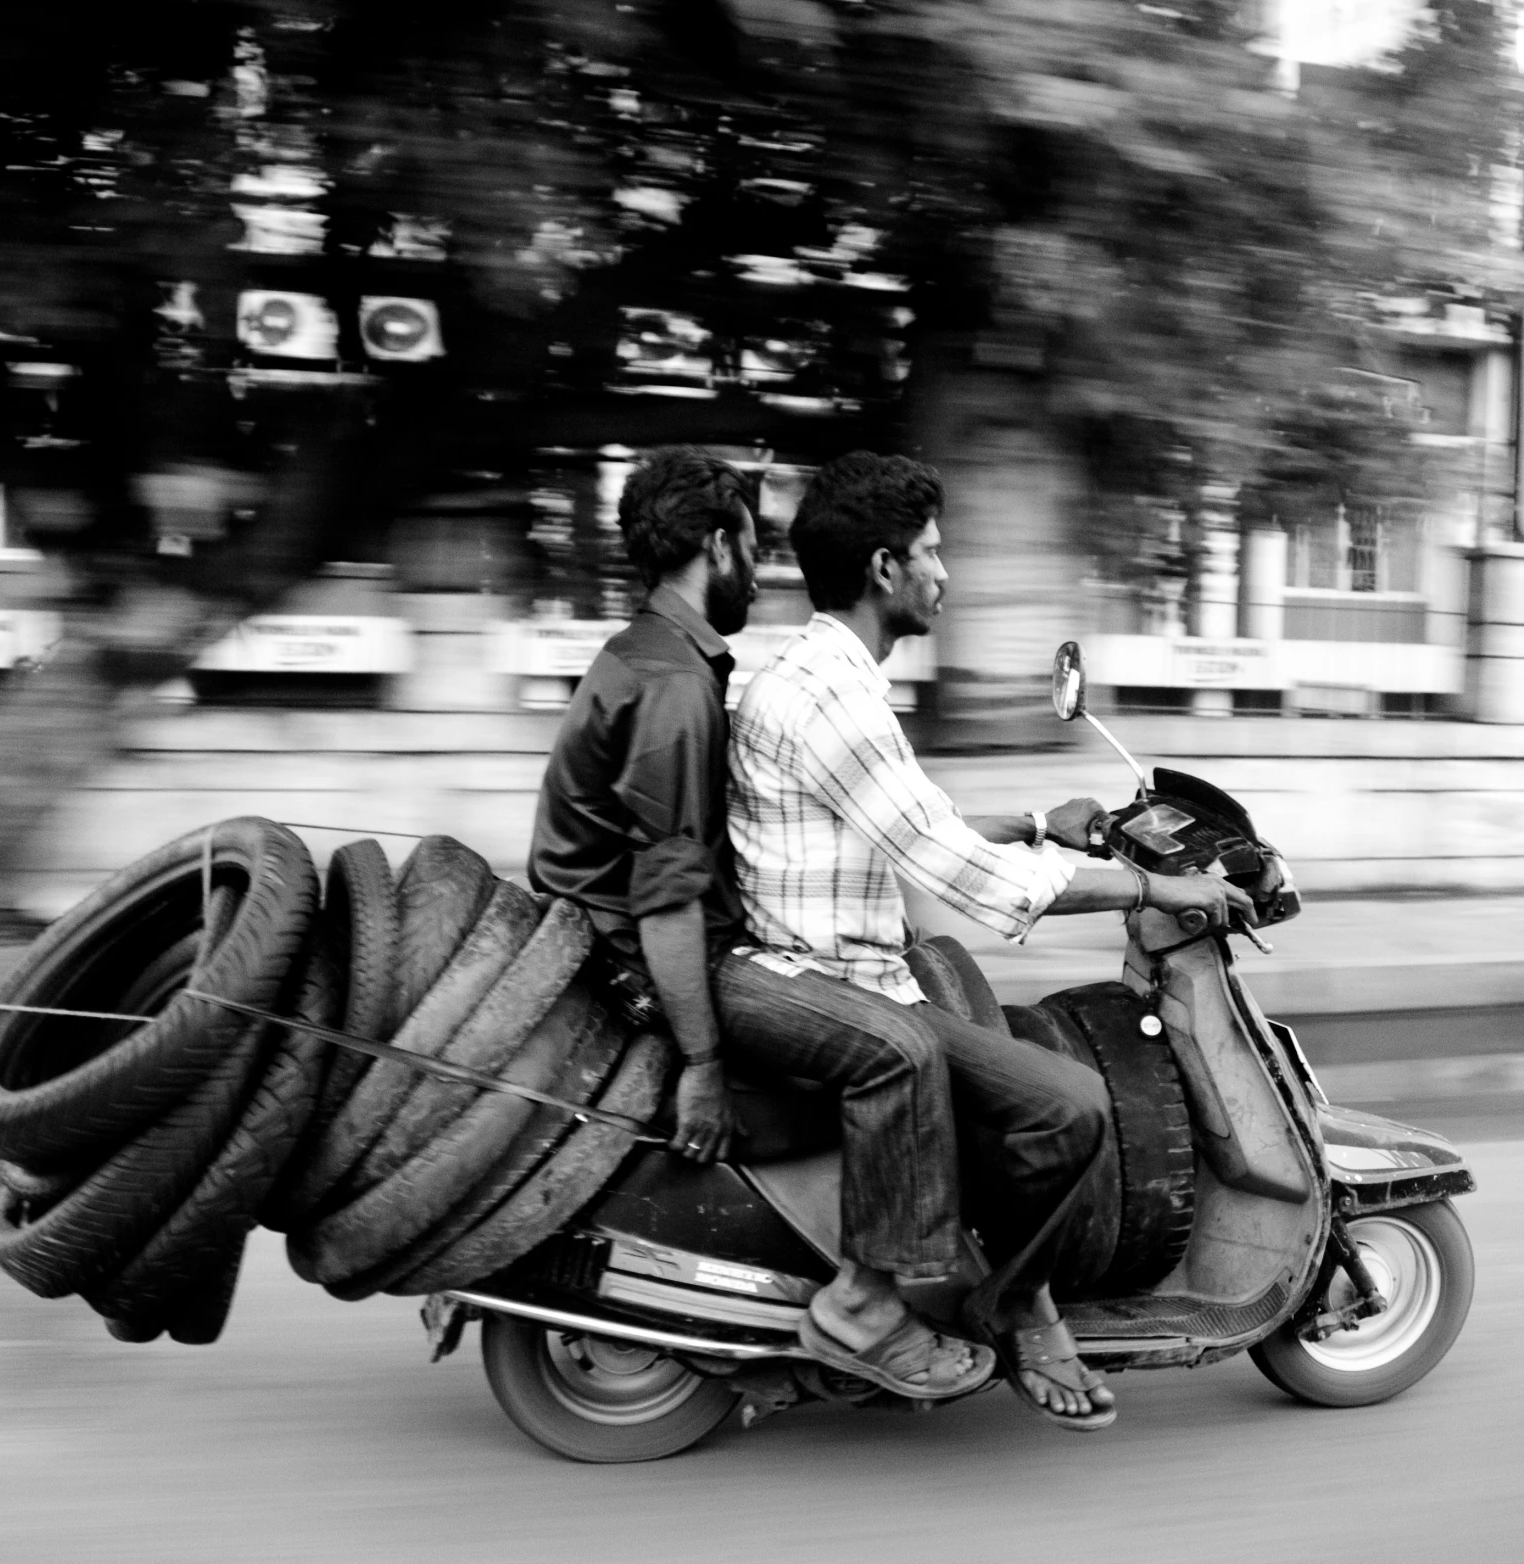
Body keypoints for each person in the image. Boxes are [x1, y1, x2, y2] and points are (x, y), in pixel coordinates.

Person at [724, 450, 1251, 1431]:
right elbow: (957, 874)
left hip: (847, 964)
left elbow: (897, 820)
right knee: (1059, 1098)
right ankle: (944, 1302)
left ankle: (1009, 1292)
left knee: (1040, 1082)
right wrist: (1151, 883)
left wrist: (1034, 822)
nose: (945, 571)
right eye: (930, 551)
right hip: (830, 981)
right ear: (885, 569)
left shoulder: (824, 674)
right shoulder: (836, 697)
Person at [526, 447, 996, 1404]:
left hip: (657, 934)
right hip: (640, 959)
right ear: (716, 543)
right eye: (750, 544)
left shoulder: (664, 656)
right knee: (899, 1051)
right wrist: (701, 1064)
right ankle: (869, 1308)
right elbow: (661, 898)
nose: (762, 568)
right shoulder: (671, 685)